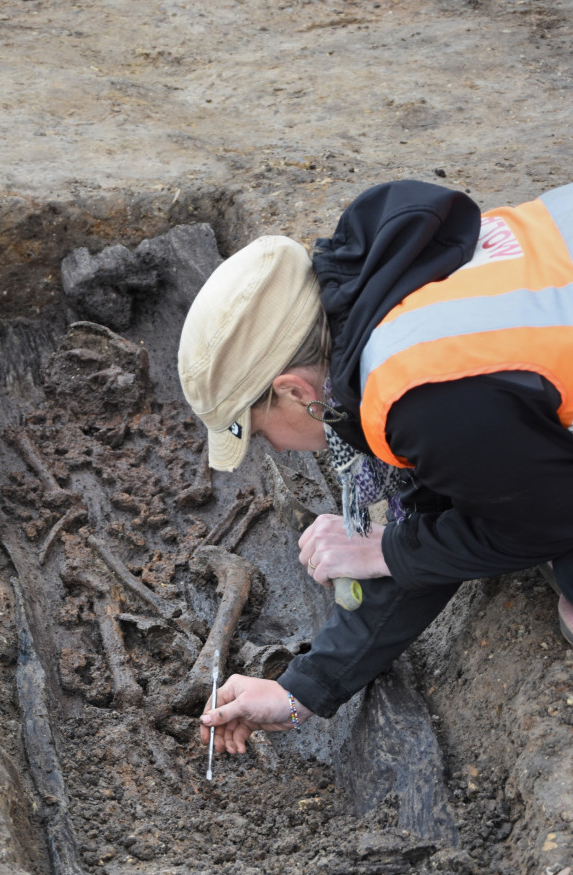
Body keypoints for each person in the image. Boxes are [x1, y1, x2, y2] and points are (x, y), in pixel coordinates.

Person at [177, 179, 573, 758]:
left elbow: (543, 523)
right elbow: (436, 501)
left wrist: (389, 549)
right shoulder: (384, 286)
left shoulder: (423, 396)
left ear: (291, 390)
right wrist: (301, 690)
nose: (279, 451)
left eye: (260, 431)